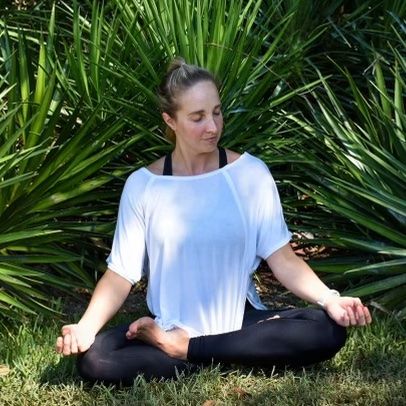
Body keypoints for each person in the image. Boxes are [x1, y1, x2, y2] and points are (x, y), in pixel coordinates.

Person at [55, 58, 372, 385]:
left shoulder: (250, 174)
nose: (213, 127)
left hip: (240, 324)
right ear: (170, 120)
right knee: (96, 361)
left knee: (327, 329)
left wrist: (330, 299)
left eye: (217, 112)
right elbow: (121, 273)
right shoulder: (143, 185)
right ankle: (217, 352)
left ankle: (188, 351)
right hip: (169, 326)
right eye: (197, 117)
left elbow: (283, 258)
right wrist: (86, 327)